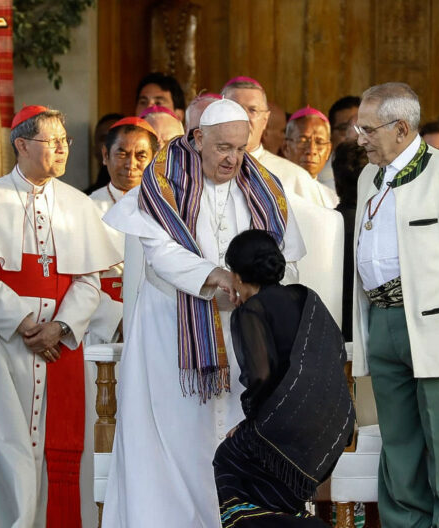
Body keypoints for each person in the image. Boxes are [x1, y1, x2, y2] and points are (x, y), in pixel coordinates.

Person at [101, 99, 305, 527]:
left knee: (231, 434)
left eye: (240, 148)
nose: (233, 159)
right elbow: (159, 253)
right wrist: (214, 275)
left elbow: (284, 255)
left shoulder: (264, 188)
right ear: (197, 139)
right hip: (169, 330)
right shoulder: (161, 182)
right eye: (223, 148)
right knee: (170, 444)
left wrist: (256, 284)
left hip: (240, 330)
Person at [0, 105, 121, 527]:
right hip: (3, 348)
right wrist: (30, 326)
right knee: (10, 458)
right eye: (53, 142)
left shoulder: (79, 205)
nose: (63, 150)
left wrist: (60, 328)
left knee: (64, 455)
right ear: (22, 145)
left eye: (65, 142)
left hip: (61, 348)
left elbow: (90, 281)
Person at [353, 82, 439, 527]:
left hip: (438, 331)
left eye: (368, 128)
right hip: (383, 321)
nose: (360, 137)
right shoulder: (366, 177)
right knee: (399, 447)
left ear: (401, 127)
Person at [213, 229, 354, 527]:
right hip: (333, 426)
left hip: (289, 428)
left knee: (229, 458)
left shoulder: (250, 311)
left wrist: (247, 422)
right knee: (276, 488)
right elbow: (336, 350)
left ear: (236, 276)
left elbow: (261, 376)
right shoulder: (306, 297)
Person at [86, 117, 159, 346]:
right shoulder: (84, 208)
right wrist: (118, 319)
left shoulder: (167, 211)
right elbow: (77, 281)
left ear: (154, 159)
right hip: (102, 331)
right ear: (105, 156)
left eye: (141, 155)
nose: (131, 164)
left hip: (154, 326)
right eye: (122, 153)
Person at [222, 76, 337, 208]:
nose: (243, 117)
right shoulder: (198, 166)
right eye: (235, 108)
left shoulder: (295, 178)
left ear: (265, 120)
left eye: (252, 110)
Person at [332, 140, 367, 341]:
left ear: (336, 182)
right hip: (371, 337)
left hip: (330, 336)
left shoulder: (321, 226)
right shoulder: (385, 229)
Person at [316, 95, 361, 188]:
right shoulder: (319, 179)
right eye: (344, 128)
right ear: (330, 134)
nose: (354, 136)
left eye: (361, 128)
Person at [282, 106, 333, 181]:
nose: (311, 150)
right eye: (302, 141)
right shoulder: (273, 189)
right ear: (286, 148)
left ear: (328, 151)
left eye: (319, 142)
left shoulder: (329, 191)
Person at [84, 112, 124, 195]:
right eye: (104, 138)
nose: (110, 145)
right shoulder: (86, 198)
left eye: (115, 138)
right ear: (94, 149)